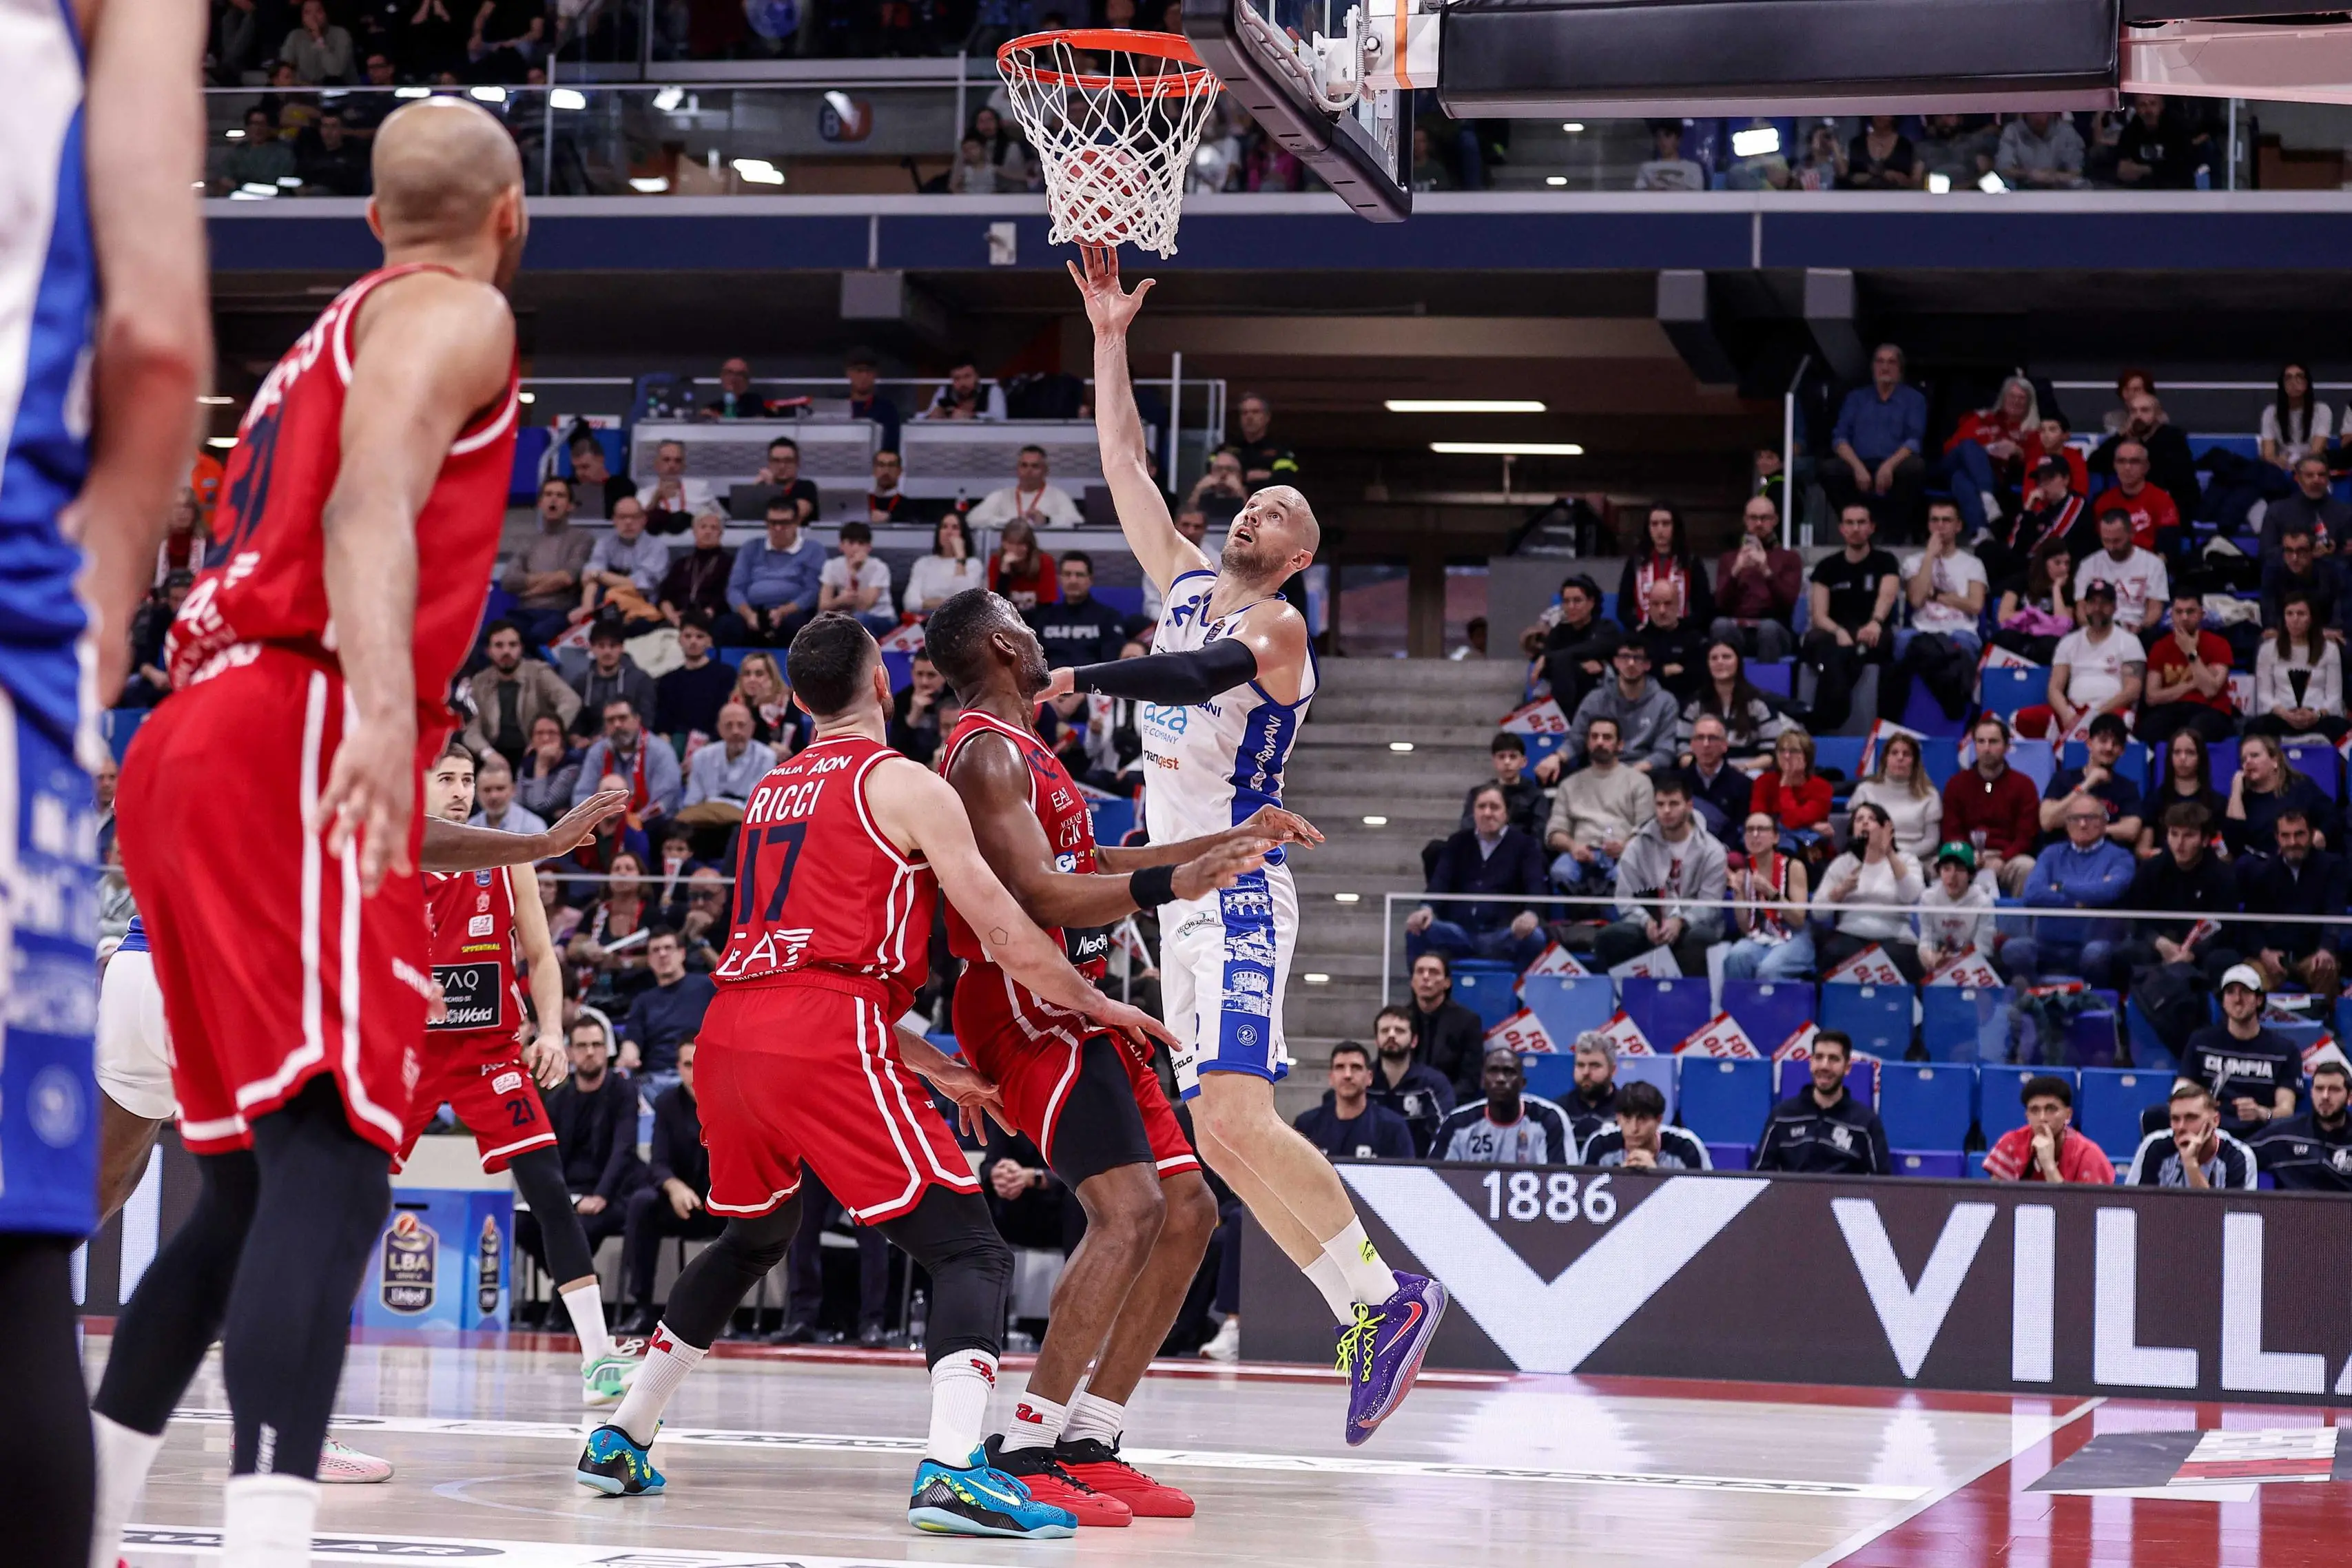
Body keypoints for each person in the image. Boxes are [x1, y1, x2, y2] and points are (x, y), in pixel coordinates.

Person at [92, 99, 525, 1568]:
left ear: (368, 220)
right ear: (509, 217)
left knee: (245, 1186)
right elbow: (374, 485)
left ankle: (80, 1519)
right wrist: (391, 708)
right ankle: (268, 1543)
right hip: (300, 712)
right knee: (340, 1152)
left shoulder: (312, 342)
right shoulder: (452, 310)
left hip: (189, 733)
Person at [577, 615, 1172, 1536]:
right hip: (827, 1031)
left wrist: (939, 1067)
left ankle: (623, 1432)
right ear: (883, 685)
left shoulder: (770, 791)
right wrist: (1103, 1004)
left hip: (731, 1032)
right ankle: (949, 1470)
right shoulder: (903, 783)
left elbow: (791, 961)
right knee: (969, 1250)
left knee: (752, 1237)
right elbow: (1009, 934)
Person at [1070, 247, 1447, 1443]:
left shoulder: (1276, 627)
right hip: (1177, 897)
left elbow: (1191, 674)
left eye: (1277, 513)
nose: (1252, 510)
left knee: (1234, 1118)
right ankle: (1368, 1309)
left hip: (1236, 888)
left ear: (1296, 559)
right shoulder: (1180, 574)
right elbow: (1123, 459)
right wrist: (1108, 332)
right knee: (1223, 1142)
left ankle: (1387, 1298)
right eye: (1251, 499)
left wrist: (1075, 669)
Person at [925, 585, 1302, 1516]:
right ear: (1007, 648)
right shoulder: (981, 755)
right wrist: (1177, 882)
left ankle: (1091, 1433)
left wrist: (1230, 839)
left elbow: (1089, 867)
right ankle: (1025, 1447)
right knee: (1128, 1211)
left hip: (1080, 1002)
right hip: (1021, 1000)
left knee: (1188, 1213)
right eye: (1021, 618)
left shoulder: (1027, 751)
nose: (1034, 626)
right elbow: (1040, 896)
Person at [403, 745, 641, 1401]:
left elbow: (540, 955)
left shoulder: (508, 859)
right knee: (344, 1190)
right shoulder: (393, 854)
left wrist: (555, 1030)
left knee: (546, 1183)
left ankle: (597, 1357)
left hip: (488, 1049)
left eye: (467, 780)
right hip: (406, 1049)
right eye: (445, 778)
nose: (458, 791)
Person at [517, 1015, 646, 1297]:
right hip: (572, 1193)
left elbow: (624, 1150)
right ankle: (571, 1285)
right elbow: (549, 1158)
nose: (590, 1052)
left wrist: (601, 1195)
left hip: (614, 1194)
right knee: (522, 1223)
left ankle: (568, 1295)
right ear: (570, 1052)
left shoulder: (623, 1091)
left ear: (607, 1049)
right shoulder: (557, 1100)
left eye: (597, 1045)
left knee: (579, 1229)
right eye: (583, 1045)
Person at [619, 1040, 721, 1333]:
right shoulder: (667, 1103)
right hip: (682, 1203)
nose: (694, 1072)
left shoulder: (729, 1100)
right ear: (678, 1068)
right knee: (642, 1203)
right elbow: (658, 1161)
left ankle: (719, 1313)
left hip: (723, 1202)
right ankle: (642, 1307)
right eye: (688, 1065)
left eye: (700, 1064)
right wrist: (673, 1186)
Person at [1593, 771, 1727, 977]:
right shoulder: (1637, 847)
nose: (1666, 811)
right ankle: (1627, 1000)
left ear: (1689, 806)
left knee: (1701, 938)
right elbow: (1624, 897)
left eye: (1673, 804)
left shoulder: (1712, 850)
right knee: (1610, 937)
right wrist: (1646, 921)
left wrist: (1681, 921)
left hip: (1690, 926)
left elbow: (1711, 905)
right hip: (1647, 925)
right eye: (1660, 804)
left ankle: (1687, 1003)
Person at [1412, 783, 1551, 967]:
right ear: (1473, 812)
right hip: (1459, 933)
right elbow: (1440, 880)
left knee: (1535, 938)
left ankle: (1523, 995)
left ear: (1506, 813)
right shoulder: (1457, 842)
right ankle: (1420, 994)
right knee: (1417, 930)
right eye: (1481, 807)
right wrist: (1426, 908)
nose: (1487, 813)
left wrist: (1531, 914)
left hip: (1503, 932)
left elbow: (1535, 885)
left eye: (1494, 807)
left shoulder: (1525, 845)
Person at [2111, 801, 2241, 990]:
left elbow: (2226, 927)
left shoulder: (2223, 875)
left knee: (2224, 960)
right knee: (2124, 954)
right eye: (2174, 834)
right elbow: (2135, 916)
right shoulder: (2151, 869)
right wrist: (2158, 941)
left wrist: (2193, 953)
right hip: (2160, 945)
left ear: (2205, 840)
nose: (2179, 844)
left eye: (2188, 836)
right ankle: (2129, 1011)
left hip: (2203, 950)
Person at [1880, 499, 1989, 722]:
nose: (1940, 526)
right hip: (1922, 632)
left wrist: (1937, 595)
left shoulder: (1973, 564)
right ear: (1929, 525)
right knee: (1902, 640)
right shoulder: (1913, 562)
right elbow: (1917, 599)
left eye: (1946, 520)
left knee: (1953, 645)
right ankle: (1949, 703)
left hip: (1961, 631)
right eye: (1935, 520)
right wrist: (1929, 556)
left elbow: (1975, 606)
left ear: (1958, 526)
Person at [2010, 796, 2138, 984]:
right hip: (2047, 945)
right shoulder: (2051, 853)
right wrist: (2080, 900)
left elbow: (2110, 891)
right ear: (2067, 824)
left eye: (2091, 818)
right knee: (2015, 949)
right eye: (2075, 819)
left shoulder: (2121, 857)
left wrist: (2061, 886)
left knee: (2097, 954)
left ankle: (2097, 1007)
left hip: (2095, 944)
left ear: (2104, 822)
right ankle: (2033, 1004)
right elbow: (2032, 893)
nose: (2083, 824)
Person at [1800, 503, 1901, 732]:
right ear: (1842, 528)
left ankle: (1823, 717)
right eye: (1849, 523)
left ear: (1871, 527)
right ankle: (1838, 707)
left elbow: (1888, 595)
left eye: (1861, 522)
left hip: (1871, 632)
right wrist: (1838, 632)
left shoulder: (1885, 561)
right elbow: (1819, 615)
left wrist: (1875, 622)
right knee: (1827, 645)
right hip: (1834, 633)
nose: (1855, 528)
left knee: (1853, 650)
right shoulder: (1827, 567)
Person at [2015, 578, 2144, 739]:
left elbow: (2132, 691)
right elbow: (2054, 688)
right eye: (2093, 603)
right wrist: (2066, 714)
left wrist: (2096, 714)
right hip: (2073, 711)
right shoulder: (2068, 641)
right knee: (2022, 718)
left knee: (2124, 720)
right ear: (2085, 607)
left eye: (2104, 603)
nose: (2098, 608)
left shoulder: (2129, 641)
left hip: (2109, 711)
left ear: (2114, 607)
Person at [1824, 344, 1928, 538]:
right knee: (1829, 469)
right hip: (1860, 462)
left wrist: (1888, 466)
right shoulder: (1856, 398)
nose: (1885, 367)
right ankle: (1854, 525)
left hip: (1896, 463)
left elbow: (1914, 441)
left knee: (1915, 468)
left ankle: (1894, 534)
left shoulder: (1914, 399)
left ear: (1900, 368)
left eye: (1891, 362)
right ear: (1873, 367)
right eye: (1880, 361)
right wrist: (1857, 467)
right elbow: (1839, 438)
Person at [2240, 808, 2347, 997]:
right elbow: (2250, 923)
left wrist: (2326, 949)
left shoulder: (2332, 867)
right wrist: (2264, 953)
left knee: (2326, 967)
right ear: (2277, 838)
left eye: (2299, 834)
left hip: (2312, 955)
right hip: (2273, 957)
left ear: (2312, 834)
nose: (2293, 842)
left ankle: (2325, 1025)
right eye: (2286, 836)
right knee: (2247, 978)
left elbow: (2335, 912)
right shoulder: (2262, 872)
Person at [1815, 802, 1927, 981]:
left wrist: (1889, 853)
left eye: (1872, 819)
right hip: (1850, 934)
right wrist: (1840, 891)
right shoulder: (1843, 863)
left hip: (1895, 936)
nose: (1865, 823)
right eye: (1859, 819)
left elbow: (1912, 896)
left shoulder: (1906, 860)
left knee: (1905, 958)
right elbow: (1818, 913)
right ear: (1853, 830)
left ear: (1886, 829)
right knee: (1833, 953)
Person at [1544, 716, 1655, 895]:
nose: (1600, 742)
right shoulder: (1569, 784)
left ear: (1620, 745)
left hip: (1622, 855)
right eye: (1595, 737)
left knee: (1626, 874)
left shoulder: (1639, 782)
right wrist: (1573, 847)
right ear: (1588, 743)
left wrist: (1625, 846)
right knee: (1560, 871)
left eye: (1607, 737)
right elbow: (1554, 832)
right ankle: (1575, 921)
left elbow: (1648, 829)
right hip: (1580, 854)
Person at [1753, 1032, 1892, 1175]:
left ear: (1847, 1068)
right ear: (1811, 1063)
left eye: (1833, 1059)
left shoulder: (1866, 1122)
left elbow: (1882, 1183)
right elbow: (1760, 1173)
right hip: (1793, 1197)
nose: (1825, 1066)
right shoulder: (1782, 1116)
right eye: (1819, 1057)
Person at [1943, 714, 2041, 894]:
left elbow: (2027, 835)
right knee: (1940, 866)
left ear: (2007, 746)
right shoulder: (1956, 784)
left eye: (1993, 742)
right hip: (1966, 856)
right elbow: (1951, 831)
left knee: (2028, 867)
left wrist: (2003, 859)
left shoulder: (2024, 785)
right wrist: (1967, 856)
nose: (1986, 748)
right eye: (1981, 742)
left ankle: (2019, 922)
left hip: (2008, 858)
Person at [464, 617, 581, 765]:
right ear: (489, 651)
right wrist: (488, 754)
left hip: (533, 749)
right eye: (499, 646)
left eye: (513, 645)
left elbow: (571, 701)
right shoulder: (480, 681)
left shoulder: (538, 672)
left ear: (521, 648)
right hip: (495, 752)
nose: (506, 651)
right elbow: (471, 728)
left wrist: (548, 734)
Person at [1432, 1048, 1576, 1164]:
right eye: (1493, 1071)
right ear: (1483, 1082)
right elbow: (1434, 1181)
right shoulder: (1457, 1124)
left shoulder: (1549, 1119)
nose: (1500, 1079)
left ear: (1523, 1083)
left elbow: (1563, 1180)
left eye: (1509, 1072)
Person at [1936, 375, 2039, 538]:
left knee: (1961, 479)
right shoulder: (1983, 418)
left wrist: (2019, 452)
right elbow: (1952, 448)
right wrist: (1982, 451)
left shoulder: (2032, 432)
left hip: (1994, 477)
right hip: (1952, 464)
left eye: (2021, 398)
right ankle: (1987, 496)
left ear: (2029, 404)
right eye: (2012, 396)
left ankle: (1980, 531)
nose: (2016, 401)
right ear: (2003, 398)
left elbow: (2038, 462)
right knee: (1969, 446)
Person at [1560, 638, 1681, 774]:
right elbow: (1576, 740)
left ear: (1647, 665)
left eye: (1638, 658)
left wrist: (1630, 774)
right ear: (1616, 662)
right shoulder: (1596, 699)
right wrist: (1557, 758)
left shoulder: (1665, 701)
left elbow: (1665, 751)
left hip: (1644, 772)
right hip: (1601, 768)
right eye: (1625, 657)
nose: (1631, 663)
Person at [1722, 812, 1815, 984]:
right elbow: (1744, 927)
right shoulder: (1744, 871)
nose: (1755, 835)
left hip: (1793, 935)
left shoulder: (1793, 867)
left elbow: (1798, 919)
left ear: (1776, 838)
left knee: (1769, 970)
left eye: (1761, 829)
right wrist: (1739, 894)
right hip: (1761, 934)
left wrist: (1771, 893)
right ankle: (1739, 1010)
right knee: (1736, 958)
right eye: (1750, 830)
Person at [2138, 587, 2236, 747]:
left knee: (2197, 730)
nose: (2184, 617)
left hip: (2210, 710)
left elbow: (2210, 690)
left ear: (2201, 614)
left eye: (2190, 612)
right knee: (2148, 729)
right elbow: (2152, 697)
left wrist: (2191, 653)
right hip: (2172, 710)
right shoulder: (2160, 647)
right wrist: (2192, 684)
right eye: (2179, 612)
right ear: (2171, 615)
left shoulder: (2219, 644)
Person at [504, 475, 595, 647]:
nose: (553, 499)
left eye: (560, 495)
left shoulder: (582, 538)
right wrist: (549, 581)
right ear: (540, 503)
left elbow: (568, 577)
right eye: (548, 494)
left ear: (570, 506)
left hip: (559, 611)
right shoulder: (528, 541)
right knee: (490, 640)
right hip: (523, 612)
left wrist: (529, 589)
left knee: (537, 635)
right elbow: (508, 581)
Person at [1711, 493, 1803, 660]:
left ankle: (1767, 685)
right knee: (1720, 626)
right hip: (1737, 627)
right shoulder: (1729, 558)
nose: (1759, 523)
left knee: (1768, 629)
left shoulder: (1789, 558)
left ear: (1775, 520)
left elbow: (1788, 604)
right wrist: (1736, 570)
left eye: (1764, 518)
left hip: (1775, 628)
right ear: (1746, 521)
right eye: (1753, 518)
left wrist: (1766, 570)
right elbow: (1720, 604)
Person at [721, 497, 824, 648]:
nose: (778, 528)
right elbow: (735, 588)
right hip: (753, 610)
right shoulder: (751, 548)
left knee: (796, 627)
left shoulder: (813, 549)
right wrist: (749, 614)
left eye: (784, 523)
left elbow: (812, 591)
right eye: (773, 523)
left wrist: (784, 611)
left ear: (796, 522)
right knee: (726, 626)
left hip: (793, 611)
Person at [2037, 712, 2145, 852]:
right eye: (2103, 741)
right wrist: (2087, 784)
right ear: (2089, 743)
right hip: (2063, 853)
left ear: (2122, 751)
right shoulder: (2062, 779)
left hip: (2107, 857)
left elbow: (2131, 830)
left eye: (2116, 744)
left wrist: (2090, 829)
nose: (2109, 748)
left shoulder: (2127, 787)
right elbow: (2047, 821)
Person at [619, 927, 716, 1082]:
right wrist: (627, 1058)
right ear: (649, 960)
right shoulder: (643, 1001)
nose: (662, 954)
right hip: (657, 1077)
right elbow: (632, 1040)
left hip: (703, 1070)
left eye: (668, 948)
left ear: (682, 953)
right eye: (656, 950)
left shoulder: (708, 986)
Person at [2249, 592, 2347, 742]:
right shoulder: (2268, 649)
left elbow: (2334, 696)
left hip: (2317, 717)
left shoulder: (2329, 649)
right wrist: (2285, 714)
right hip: (2283, 717)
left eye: (2301, 614)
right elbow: (2265, 695)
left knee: (2340, 727)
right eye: (2290, 614)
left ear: (2311, 618)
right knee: (2256, 727)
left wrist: (2316, 715)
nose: (2295, 619)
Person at [1981, 1075, 2116, 1183]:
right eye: (2035, 1110)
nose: (2043, 1118)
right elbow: (1999, 1203)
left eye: (2051, 1109)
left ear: (2068, 1115)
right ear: (2027, 1116)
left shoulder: (2088, 1155)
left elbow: (2083, 1214)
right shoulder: (2011, 1143)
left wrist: (2049, 1166)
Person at [2227, 732, 2342, 857]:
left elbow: (2331, 816)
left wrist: (2321, 834)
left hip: (2305, 858)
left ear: (2274, 760)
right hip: (2264, 868)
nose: (2248, 762)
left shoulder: (2300, 786)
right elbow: (2234, 843)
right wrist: (2236, 791)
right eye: (2244, 759)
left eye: (2255, 756)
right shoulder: (2244, 798)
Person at [1293, 1042, 1416, 1161]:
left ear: (1369, 1077)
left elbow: (1406, 1178)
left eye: (1356, 1067)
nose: (1348, 1075)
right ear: (1331, 1078)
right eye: (1340, 1067)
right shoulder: (1306, 1125)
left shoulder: (1393, 1127)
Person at [2127, 1082, 2257, 1188]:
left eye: (2191, 1118)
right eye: (2175, 1119)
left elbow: (2234, 1219)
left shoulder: (2238, 1157)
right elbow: (2135, 1208)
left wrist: (2191, 1164)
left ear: (2215, 1120)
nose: (2181, 1127)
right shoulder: (2154, 1146)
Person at [573, 696, 683, 821]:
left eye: (623, 718)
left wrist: (631, 824)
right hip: (604, 824)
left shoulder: (661, 751)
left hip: (650, 825)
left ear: (637, 720)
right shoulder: (597, 752)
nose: (617, 725)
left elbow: (665, 801)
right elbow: (581, 795)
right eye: (610, 720)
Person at [1367, 1005, 1457, 1157]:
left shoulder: (1433, 1083)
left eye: (1400, 1031)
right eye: (1385, 1030)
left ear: (1414, 1041)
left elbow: (1447, 1131)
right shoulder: (1363, 1080)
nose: (1391, 1035)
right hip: (1366, 1170)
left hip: (1420, 1170)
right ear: (1376, 1040)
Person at [2251, 1059, 2352, 1192]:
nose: (2325, 1096)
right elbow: (2239, 1155)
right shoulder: (2283, 1135)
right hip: (2292, 1212)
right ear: (2311, 1092)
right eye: (2319, 1089)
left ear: (2350, 1097)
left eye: (2334, 1090)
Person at [1533, 572, 1623, 721]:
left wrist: (1549, 656)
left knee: (1564, 661)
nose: (1571, 607)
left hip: (1601, 699)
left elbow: (1595, 647)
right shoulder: (1559, 632)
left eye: (1577, 601)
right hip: (1562, 696)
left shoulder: (1605, 628)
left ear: (1591, 602)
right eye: (1566, 601)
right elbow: (1544, 671)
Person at [1678, 641, 1786, 765]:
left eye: (1726, 657)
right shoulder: (1695, 703)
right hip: (1705, 771)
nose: (1720, 662)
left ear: (1738, 662)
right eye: (1714, 658)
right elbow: (1683, 750)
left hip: (1748, 769)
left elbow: (1771, 752)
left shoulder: (1758, 703)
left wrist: (1743, 768)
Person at [1615, 503, 1714, 632]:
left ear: (1675, 527)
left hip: (1682, 633)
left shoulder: (1691, 562)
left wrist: (1682, 627)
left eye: (1666, 524)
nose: (1660, 530)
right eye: (1654, 524)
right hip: (1644, 633)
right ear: (1648, 528)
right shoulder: (1636, 562)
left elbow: (1703, 609)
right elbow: (1623, 609)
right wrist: (1638, 626)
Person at [677, 701, 776, 829]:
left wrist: (720, 810)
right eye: (729, 726)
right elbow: (692, 801)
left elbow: (758, 807)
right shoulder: (701, 756)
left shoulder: (766, 757)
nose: (735, 731)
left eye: (741, 725)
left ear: (752, 728)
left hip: (744, 821)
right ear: (719, 728)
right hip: (704, 821)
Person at [576, 495, 670, 628]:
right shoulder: (604, 543)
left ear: (644, 520)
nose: (628, 522)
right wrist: (587, 608)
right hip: (609, 606)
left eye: (634, 517)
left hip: (642, 607)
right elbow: (589, 577)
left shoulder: (657, 547)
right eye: (622, 517)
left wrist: (600, 575)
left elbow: (638, 585)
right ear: (614, 520)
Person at [2072, 505, 2168, 635]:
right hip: (2097, 629)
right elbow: (2081, 611)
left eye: (2117, 541)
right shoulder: (2088, 565)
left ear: (2132, 534)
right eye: (2106, 541)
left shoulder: (2153, 564)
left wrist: (2141, 627)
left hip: (2136, 630)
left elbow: (2155, 610)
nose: (2111, 547)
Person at [1403, 953, 1486, 1100]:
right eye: (1420, 971)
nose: (1426, 977)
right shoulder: (1400, 1020)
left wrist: (1440, 1101)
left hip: (1449, 1105)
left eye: (1434, 972)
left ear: (1447, 983)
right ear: (1412, 981)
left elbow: (1470, 1080)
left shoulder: (1467, 1021)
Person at [1850, 731, 1944, 858]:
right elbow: (1855, 833)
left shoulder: (1929, 795)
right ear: (1885, 759)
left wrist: (1899, 856)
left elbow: (1931, 841)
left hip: (1915, 860)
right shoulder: (1865, 791)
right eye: (1894, 753)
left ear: (1915, 762)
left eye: (1906, 754)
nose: (1900, 758)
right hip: (1871, 857)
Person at [1028, 551, 1130, 668]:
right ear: (1060, 579)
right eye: (1067, 574)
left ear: (1090, 580)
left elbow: (1111, 664)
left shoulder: (1109, 618)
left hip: (1092, 683)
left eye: (1079, 575)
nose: (1073, 581)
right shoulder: (1044, 618)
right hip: (1052, 682)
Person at [1578, 1079, 1711, 1169]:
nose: (1634, 1128)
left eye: (1642, 1119)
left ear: (1659, 1120)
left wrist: (1654, 1177)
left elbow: (1705, 1203)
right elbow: (1582, 1199)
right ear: (1618, 1118)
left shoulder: (1686, 1147)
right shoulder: (1600, 1144)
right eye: (1627, 1118)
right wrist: (1619, 1180)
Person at [2138, 727, 2229, 858]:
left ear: (2200, 758)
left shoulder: (2217, 803)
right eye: (2177, 752)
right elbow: (2142, 850)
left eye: (2190, 753)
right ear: (2170, 757)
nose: (2183, 758)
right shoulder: (2155, 799)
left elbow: (2224, 854)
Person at [1991, 536, 2078, 663]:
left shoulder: (2068, 589)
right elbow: (2003, 617)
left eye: (2067, 563)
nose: (2064, 569)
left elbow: (2064, 626)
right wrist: (2038, 619)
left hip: (2046, 641)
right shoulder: (2021, 581)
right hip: (2020, 634)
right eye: (2058, 563)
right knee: (2006, 637)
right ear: (2044, 563)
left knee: (2052, 645)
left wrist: (2056, 589)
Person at [1916, 841, 1998, 975]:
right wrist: (1933, 959)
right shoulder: (1928, 898)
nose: (1952, 876)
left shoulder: (1983, 902)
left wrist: (1954, 963)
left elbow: (1984, 949)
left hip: (1973, 966)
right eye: (1946, 869)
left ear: (1971, 874)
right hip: (1938, 962)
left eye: (1959, 869)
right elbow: (1926, 941)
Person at [2092, 440, 2181, 561]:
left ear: (2146, 467)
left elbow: (2168, 550)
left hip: (2149, 567)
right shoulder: (2103, 502)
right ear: (2114, 465)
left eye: (2134, 462)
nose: (2127, 468)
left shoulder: (2162, 500)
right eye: (2121, 461)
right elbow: (2096, 546)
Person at [569, 620, 659, 739]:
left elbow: (647, 721)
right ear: (592, 648)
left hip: (631, 740)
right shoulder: (581, 682)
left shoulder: (641, 679)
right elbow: (576, 723)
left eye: (613, 646)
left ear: (622, 648)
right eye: (601, 646)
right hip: (592, 745)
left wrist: (606, 738)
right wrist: (576, 739)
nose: (607, 651)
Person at [1752, 725, 1833, 849]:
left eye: (1793, 751)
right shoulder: (1764, 782)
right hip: (1770, 847)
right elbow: (1758, 820)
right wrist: (1810, 826)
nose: (1786, 756)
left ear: (1807, 757)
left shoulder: (1821, 788)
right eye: (1781, 750)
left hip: (1809, 851)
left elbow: (1792, 821)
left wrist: (1785, 786)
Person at [1682, 712, 1756, 845]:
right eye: (1700, 738)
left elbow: (1741, 830)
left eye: (1713, 738)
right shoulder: (1678, 782)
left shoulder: (1743, 785)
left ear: (1725, 745)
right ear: (1692, 745)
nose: (1706, 744)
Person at [972, 443, 1084, 528]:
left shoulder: (1058, 496)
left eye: (1035, 466)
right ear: (1017, 469)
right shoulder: (1001, 496)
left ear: (1045, 470)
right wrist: (1012, 522)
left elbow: (1077, 522)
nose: (1028, 471)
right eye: (1024, 466)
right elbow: (973, 519)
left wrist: (1047, 520)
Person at [657, 508, 735, 628]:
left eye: (714, 528)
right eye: (703, 527)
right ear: (694, 531)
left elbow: (727, 595)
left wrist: (707, 614)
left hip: (712, 618)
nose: (708, 532)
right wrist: (672, 616)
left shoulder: (729, 563)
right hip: (678, 618)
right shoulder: (681, 563)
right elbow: (665, 596)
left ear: (721, 534)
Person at [1634, 577, 1709, 702]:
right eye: (1656, 604)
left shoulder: (1694, 638)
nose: (1662, 611)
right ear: (1649, 606)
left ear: (1678, 604)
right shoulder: (1638, 639)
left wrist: (1655, 671)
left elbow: (1700, 677)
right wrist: (1663, 671)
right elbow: (1635, 675)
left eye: (1668, 604)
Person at [818, 520, 898, 635]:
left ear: (869, 547)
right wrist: (840, 600)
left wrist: (854, 571)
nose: (856, 548)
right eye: (851, 543)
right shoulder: (831, 566)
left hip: (881, 617)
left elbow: (865, 606)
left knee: (859, 620)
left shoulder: (879, 567)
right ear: (841, 546)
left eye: (861, 543)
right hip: (846, 616)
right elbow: (823, 605)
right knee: (820, 622)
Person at [1461, 732, 1546, 838]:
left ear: (1524, 762)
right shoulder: (1478, 794)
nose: (1507, 762)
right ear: (1494, 761)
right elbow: (1467, 829)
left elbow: (1538, 836)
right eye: (1501, 757)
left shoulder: (1535, 796)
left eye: (1513, 757)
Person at [905, 513, 986, 617]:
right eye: (944, 527)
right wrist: (950, 602)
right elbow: (911, 603)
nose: (949, 532)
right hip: (926, 620)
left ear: (963, 534)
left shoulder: (973, 564)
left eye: (955, 528)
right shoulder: (923, 563)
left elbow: (966, 602)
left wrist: (960, 557)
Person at [635, 437, 714, 531]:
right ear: (657, 465)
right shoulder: (643, 495)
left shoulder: (701, 488)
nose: (672, 465)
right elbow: (637, 526)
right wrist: (656, 499)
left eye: (678, 461)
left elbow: (723, 520)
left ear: (684, 466)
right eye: (666, 460)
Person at [1560, 1033, 1622, 1149]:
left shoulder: (1628, 1110)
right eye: (1580, 1065)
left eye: (1595, 1066)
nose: (1586, 1072)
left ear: (1613, 1070)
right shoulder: (1558, 1111)